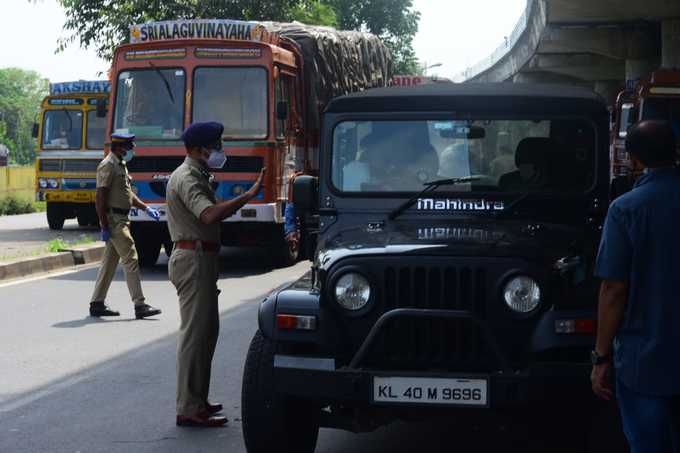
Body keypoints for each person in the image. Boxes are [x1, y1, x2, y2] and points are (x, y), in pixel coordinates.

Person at [167, 121, 265, 427]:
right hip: (193, 258)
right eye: (215, 145)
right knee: (196, 336)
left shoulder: (197, 174)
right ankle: (189, 406)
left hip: (201, 257)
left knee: (207, 333)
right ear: (198, 149)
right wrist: (247, 196)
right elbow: (208, 214)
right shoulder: (188, 177)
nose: (219, 150)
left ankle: (198, 399)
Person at [591, 120, 680, 453]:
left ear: (633, 159)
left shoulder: (625, 209)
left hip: (646, 362)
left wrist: (601, 358)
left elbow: (614, 290)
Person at [89, 133, 162, 319]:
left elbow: (127, 194)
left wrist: (146, 208)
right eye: (129, 146)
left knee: (109, 263)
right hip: (114, 220)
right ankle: (140, 305)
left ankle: (97, 303)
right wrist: (104, 226)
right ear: (120, 147)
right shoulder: (108, 165)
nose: (132, 150)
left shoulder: (120, 164)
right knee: (131, 258)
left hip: (122, 218)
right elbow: (100, 198)